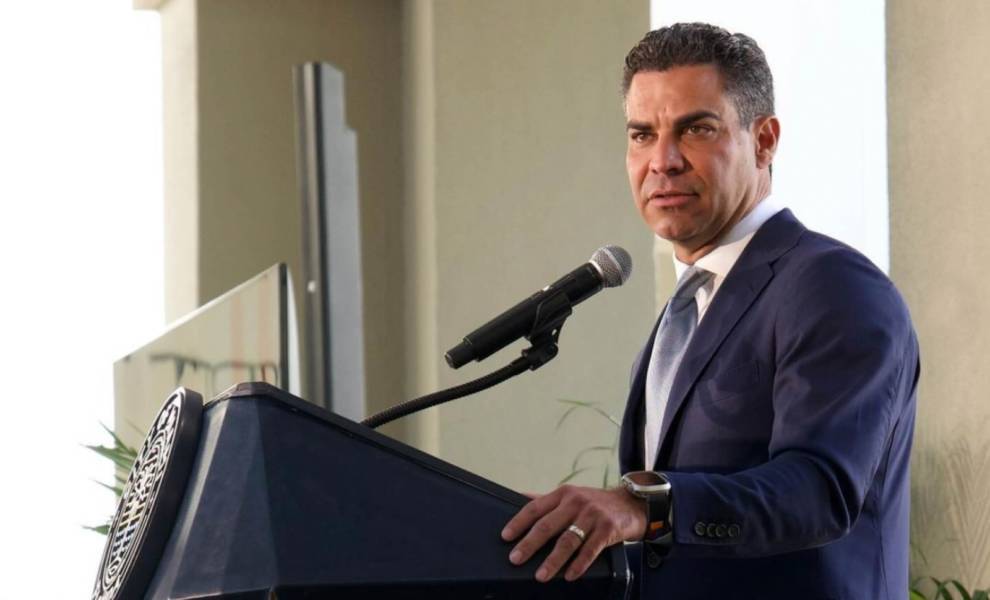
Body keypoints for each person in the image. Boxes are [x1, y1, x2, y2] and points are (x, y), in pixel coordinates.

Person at [501, 22, 919, 600]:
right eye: (642, 135)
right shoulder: (689, 306)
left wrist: (642, 505)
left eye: (696, 129)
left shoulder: (832, 284)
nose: (663, 161)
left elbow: (820, 488)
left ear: (764, 141)